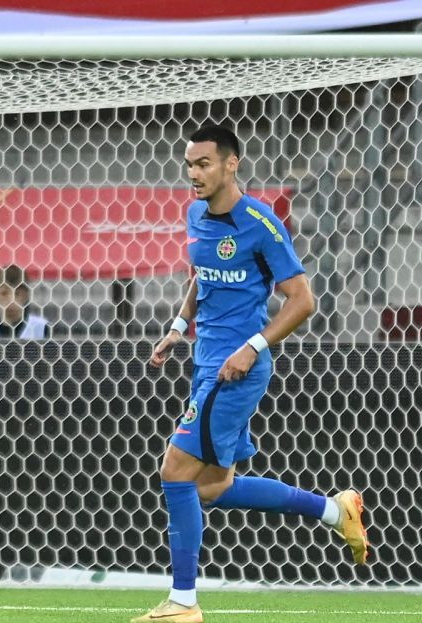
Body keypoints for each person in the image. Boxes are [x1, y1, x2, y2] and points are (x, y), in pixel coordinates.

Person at [134, 125, 368, 623]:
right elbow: (203, 273)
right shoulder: (196, 214)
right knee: (213, 488)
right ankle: (335, 510)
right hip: (205, 360)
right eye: (190, 164)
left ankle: (183, 604)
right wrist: (178, 325)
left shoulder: (261, 221)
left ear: (231, 163)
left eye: (204, 164)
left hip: (236, 372)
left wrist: (251, 346)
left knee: (174, 473)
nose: (194, 173)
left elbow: (303, 300)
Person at [0, 264, 49, 339]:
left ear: (26, 295)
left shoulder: (42, 329)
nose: (11, 300)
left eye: (17, 293)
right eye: (4, 293)